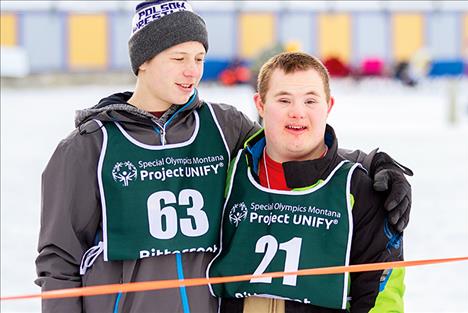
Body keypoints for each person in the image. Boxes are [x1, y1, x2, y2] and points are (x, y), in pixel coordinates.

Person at [35, 1, 411, 312]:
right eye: (178, 57)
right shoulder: (87, 148)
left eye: (199, 58)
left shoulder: (222, 126)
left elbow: (289, 146)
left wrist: (373, 163)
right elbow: (58, 260)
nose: (192, 71)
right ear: (143, 60)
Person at [207, 52, 405, 313]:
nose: (297, 112)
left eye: (310, 100)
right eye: (284, 99)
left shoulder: (359, 189)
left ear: (329, 106)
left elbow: (381, 298)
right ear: (260, 104)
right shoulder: (227, 177)